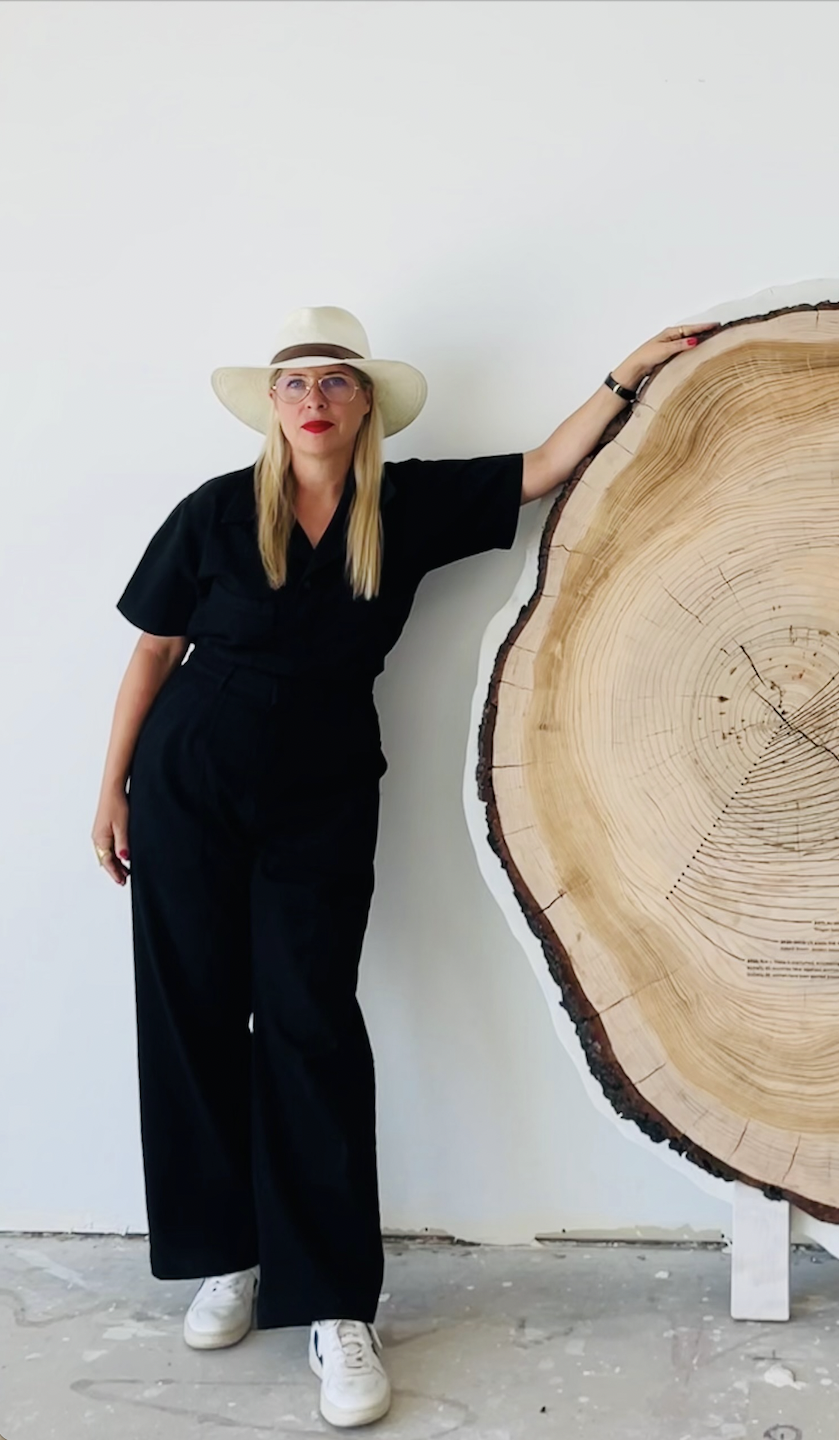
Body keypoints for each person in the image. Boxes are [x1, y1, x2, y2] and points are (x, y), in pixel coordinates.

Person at [90, 305, 712, 1429]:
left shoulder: (405, 502)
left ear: (363, 401)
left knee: (309, 1020)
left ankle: (332, 1303)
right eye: (294, 384)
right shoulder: (217, 512)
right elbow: (151, 650)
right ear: (273, 408)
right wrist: (109, 791)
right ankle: (228, 1254)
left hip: (321, 785)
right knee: (189, 1010)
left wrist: (623, 373)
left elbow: (540, 469)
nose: (313, 398)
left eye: (334, 380)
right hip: (190, 774)